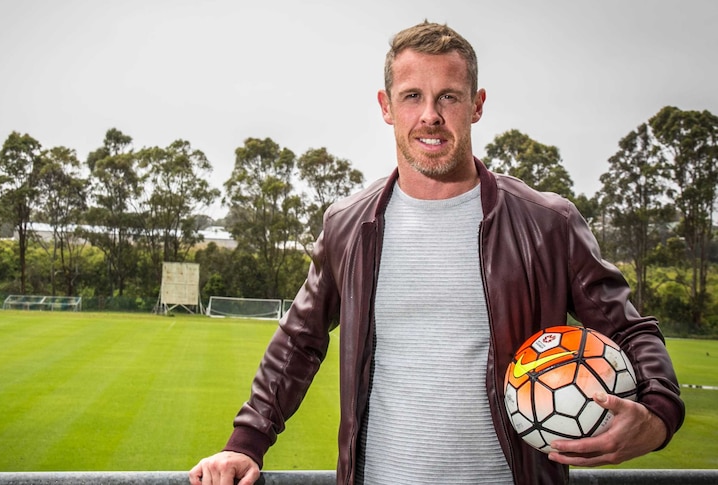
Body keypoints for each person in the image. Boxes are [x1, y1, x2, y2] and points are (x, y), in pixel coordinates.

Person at [189, 21, 684, 485]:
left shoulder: (546, 223)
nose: (430, 115)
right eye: (412, 97)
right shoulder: (349, 227)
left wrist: (658, 415)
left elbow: (628, 329)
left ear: (477, 104)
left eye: (448, 96)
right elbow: (300, 339)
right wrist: (247, 443)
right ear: (386, 106)